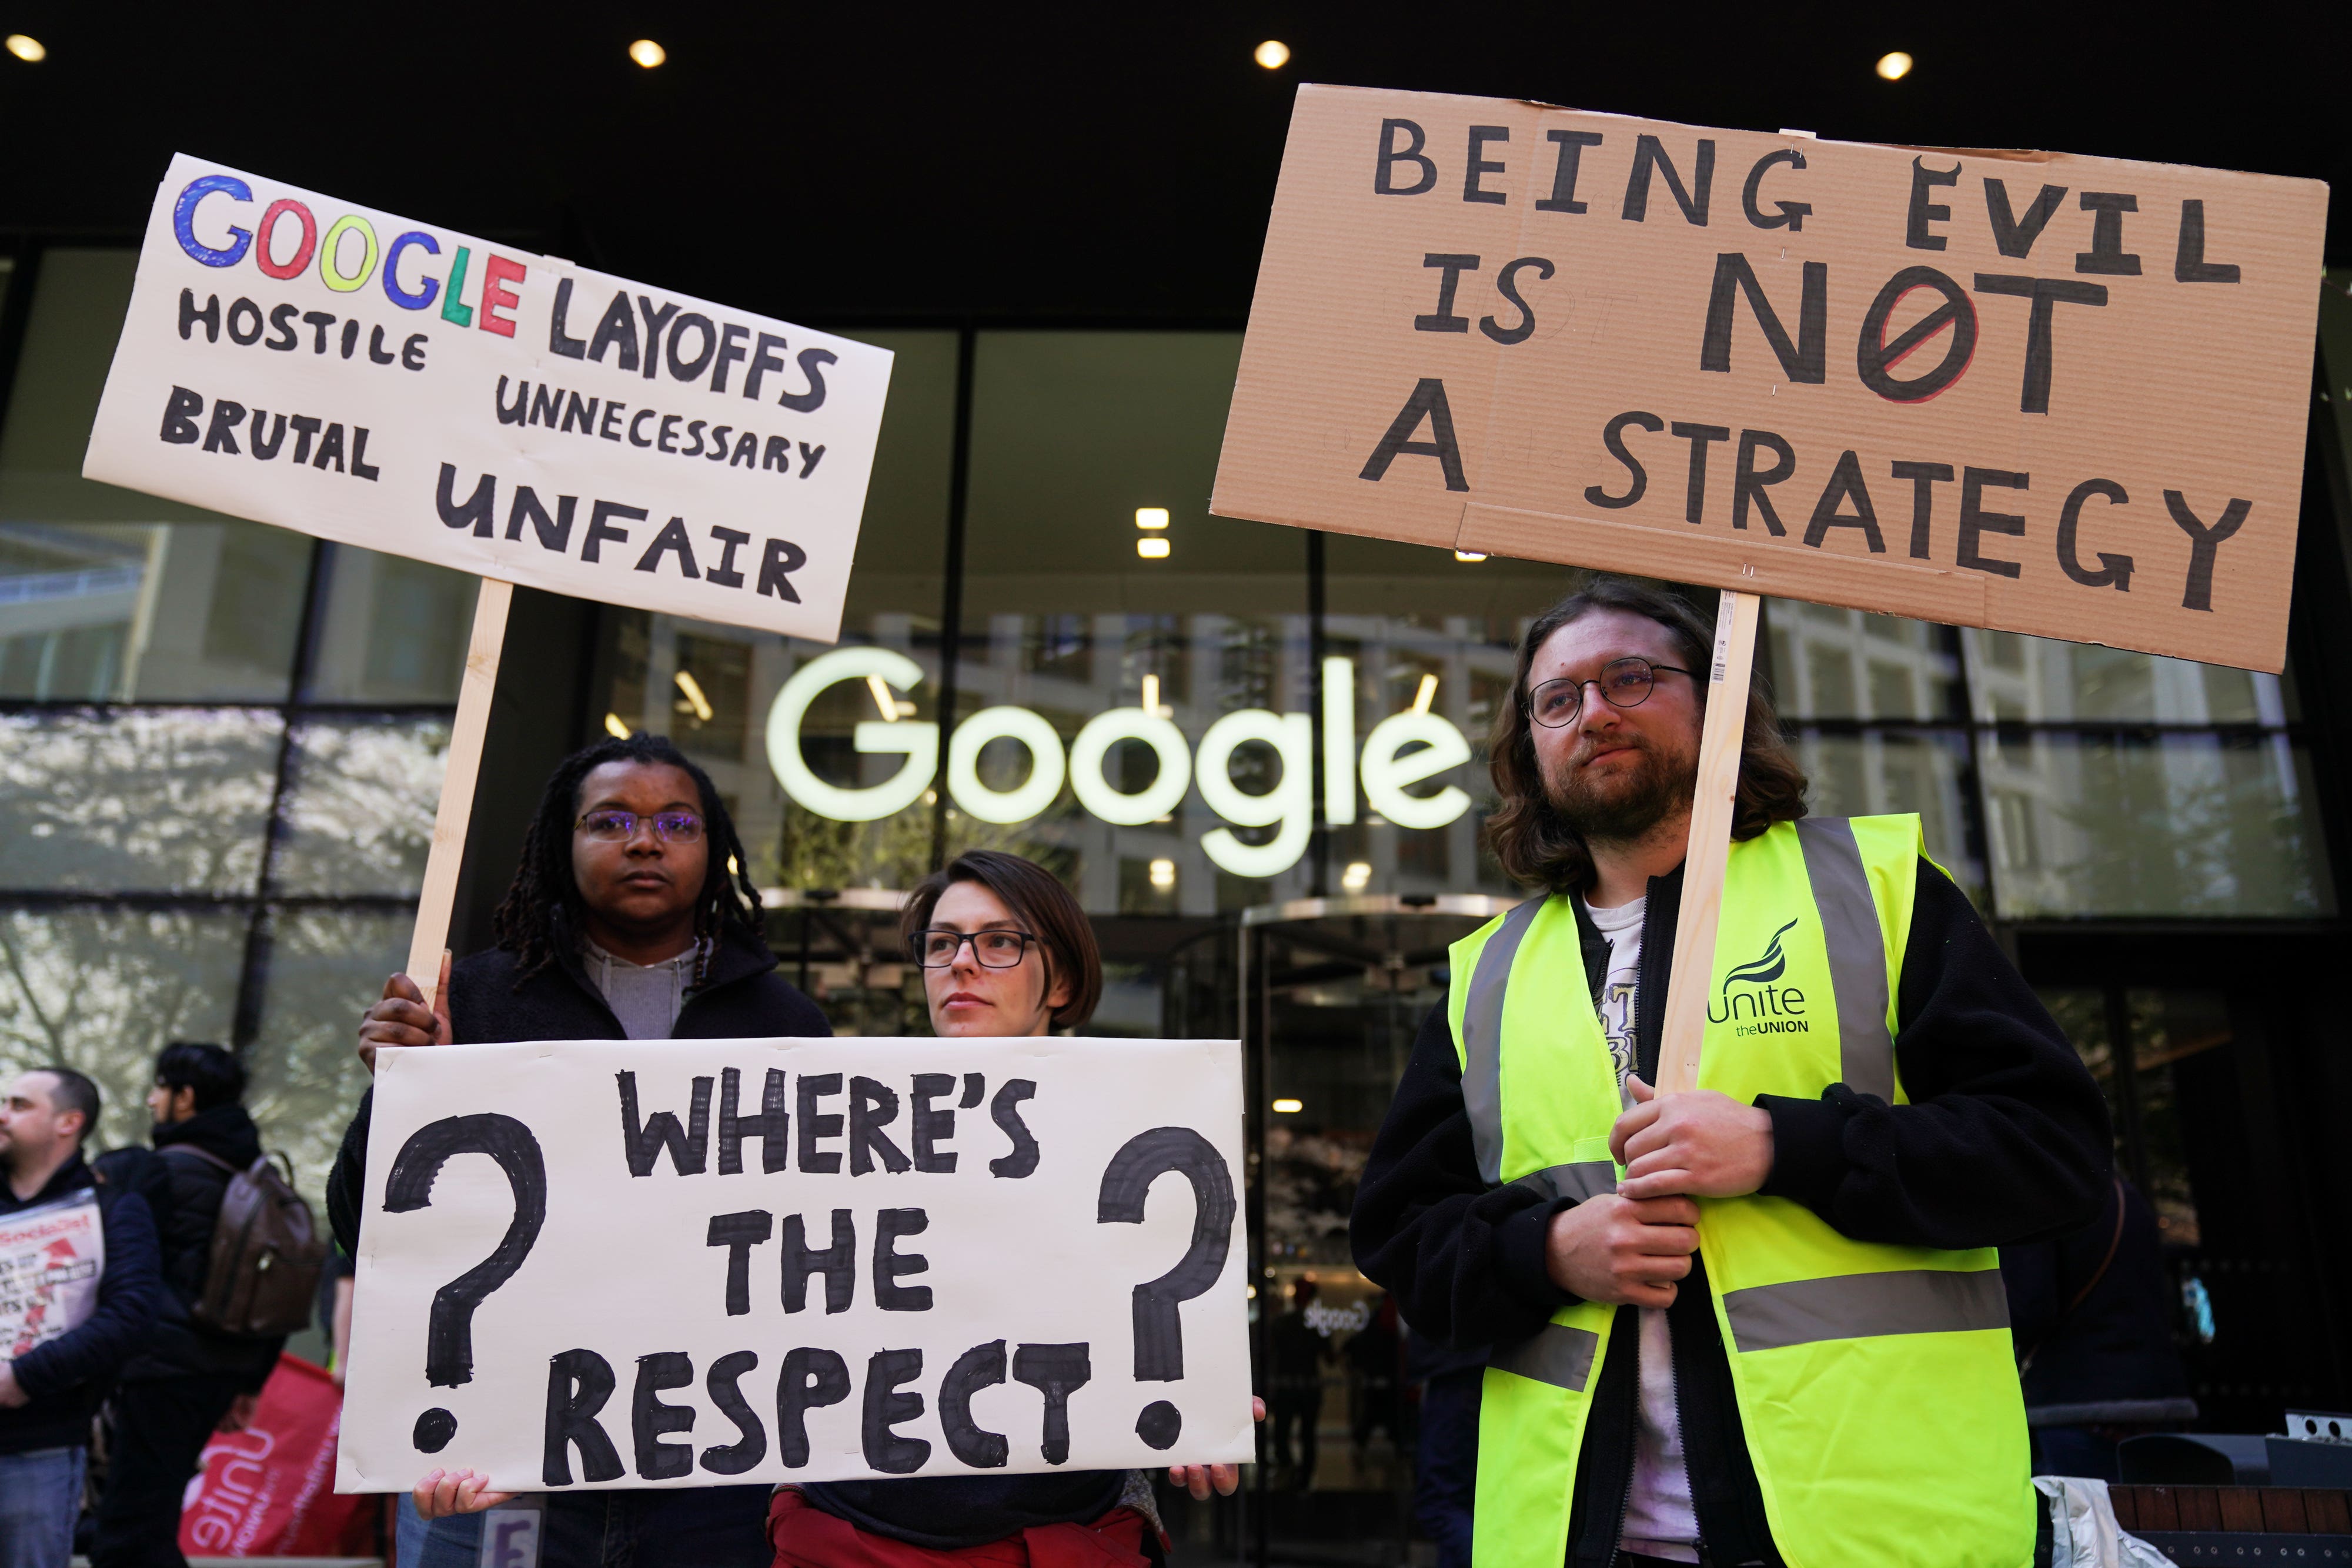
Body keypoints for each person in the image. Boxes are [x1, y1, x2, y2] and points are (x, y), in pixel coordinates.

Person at [1350, 578, 2113, 1568]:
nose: (1595, 711)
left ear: (1718, 705)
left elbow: (2054, 1150)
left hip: (1871, 1533)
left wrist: (1781, 1145)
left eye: (1631, 676)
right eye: (1558, 698)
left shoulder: (1868, 889)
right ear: (1531, 749)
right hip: (1586, 1543)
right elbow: (1402, 1238)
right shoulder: (1487, 973)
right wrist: (1546, 1251)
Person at [329, 733, 833, 1568]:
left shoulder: (786, 1023)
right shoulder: (472, 997)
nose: (645, 839)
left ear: (714, 849)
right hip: (496, 1454)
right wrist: (401, 1089)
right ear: (564, 846)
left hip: (714, 1466)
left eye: (677, 820)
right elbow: (362, 1225)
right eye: (611, 821)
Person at [92, 1044, 285, 1568]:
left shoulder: (161, 1172)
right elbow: (278, 1286)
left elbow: (121, 1274)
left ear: (186, 1097)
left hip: (160, 1369)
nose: (153, 1100)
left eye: (160, 1088)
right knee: (151, 1515)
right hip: (222, 1369)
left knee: (127, 1532)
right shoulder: (261, 1175)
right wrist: (250, 1380)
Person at [0, 1069, 159, 1568]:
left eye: (20, 1104)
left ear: (69, 1121)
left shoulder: (114, 1211)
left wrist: (21, 1377)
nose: (2, 1114)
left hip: (37, 1446)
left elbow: (130, 1316)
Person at [2003, 1176, 2197, 1482]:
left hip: (2078, 1405)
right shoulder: (2126, 1193)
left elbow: (2030, 1308)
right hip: (2158, 1398)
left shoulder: (2037, 1194)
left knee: (2087, 1525)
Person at [1264, 1278, 1330, 1489]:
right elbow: (1329, 1357)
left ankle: (1292, 1471)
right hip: (1306, 1387)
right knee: (1305, 1435)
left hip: (1290, 1386)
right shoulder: (1316, 1325)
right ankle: (1301, 1478)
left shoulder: (1283, 1322)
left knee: (1284, 1434)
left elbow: (1270, 1354)